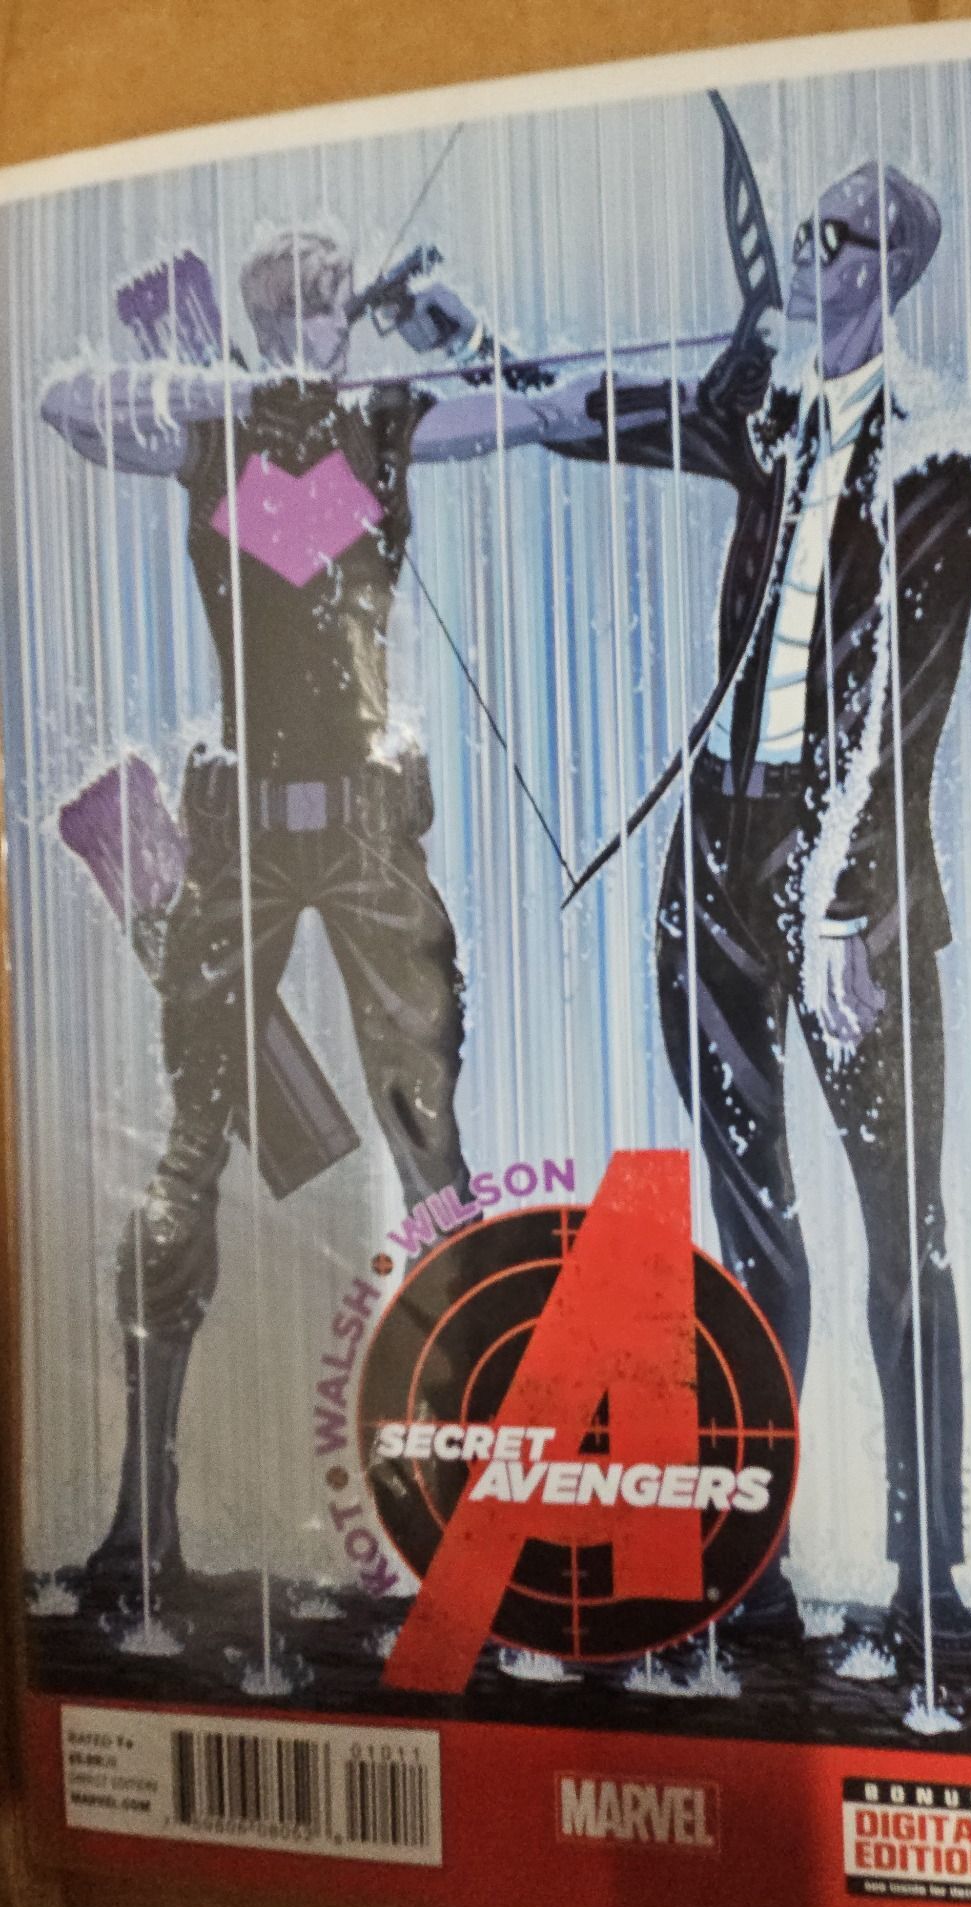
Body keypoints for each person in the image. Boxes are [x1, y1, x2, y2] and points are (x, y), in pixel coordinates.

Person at [397, 158, 971, 1664]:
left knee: (901, 1232)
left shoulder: (938, 449)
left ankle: (928, 1585)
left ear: (893, 264)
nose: (804, 247)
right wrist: (459, 339)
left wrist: (846, 907)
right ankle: (751, 1574)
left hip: (851, 893)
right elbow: (590, 413)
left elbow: (904, 707)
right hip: (720, 864)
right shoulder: (771, 413)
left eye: (837, 232)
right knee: (756, 1232)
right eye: (806, 223)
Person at [41, 223, 485, 1610]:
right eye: (290, 312)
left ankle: (470, 1518)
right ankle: (144, 1517)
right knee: (187, 1149)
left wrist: (456, 334)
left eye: (331, 310)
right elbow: (64, 403)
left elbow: (538, 408)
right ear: (258, 322)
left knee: (431, 1151)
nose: (315, 330)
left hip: (365, 828)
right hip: (242, 825)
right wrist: (210, 395)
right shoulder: (218, 431)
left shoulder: (383, 421)